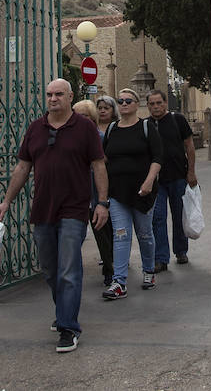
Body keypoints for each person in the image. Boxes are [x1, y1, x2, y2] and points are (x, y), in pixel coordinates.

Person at [0, 78, 108, 354]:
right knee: (49, 269)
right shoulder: (36, 128)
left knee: (69, 269)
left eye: (58, 94)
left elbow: (98, 166)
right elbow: (22, 168)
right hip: (43, 209)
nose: (53, 99)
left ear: (70, 97)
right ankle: (64, 311)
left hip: (74, 209)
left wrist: (102, 203)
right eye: (49, 94)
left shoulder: (85, 128)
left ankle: (69, 327)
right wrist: (7, 201)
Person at [100, 88, 163, 298]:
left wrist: (149, 181)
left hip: (143, 192)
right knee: (121, 235)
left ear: (137, 104)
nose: (124, 104)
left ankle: (149, 271)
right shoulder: (112, 129)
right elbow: (103, 159)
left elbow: (157, 157)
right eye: (121, 101)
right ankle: (119, 282)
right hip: (117, 192)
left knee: (144, 234)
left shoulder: (146, 127)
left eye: (128, 100)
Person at [147, 88, 197, 270]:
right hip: (157, 181)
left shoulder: (178, 120)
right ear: (148, 106)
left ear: (165, 103)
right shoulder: (146, 125)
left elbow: (189, 146)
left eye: (159, 103)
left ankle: (181, 251)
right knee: (158, 218)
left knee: (179, 215)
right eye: (152, 104)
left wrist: (191, 172)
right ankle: (161, 258)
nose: (156, 107)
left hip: (178, 177)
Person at [91, 95, 118, 284]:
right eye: (99, 107)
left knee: (113, 222)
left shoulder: (116, 129)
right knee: (99, 223)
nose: (102, 111)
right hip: (92, 183)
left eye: (106, 108)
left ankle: (116, 257)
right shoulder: (91, 130)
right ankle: (108, 257)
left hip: (111, 180)